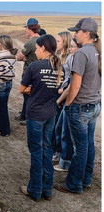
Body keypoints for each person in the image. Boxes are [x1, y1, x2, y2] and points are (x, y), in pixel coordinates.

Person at [54, 18, 101, 194]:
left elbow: (75, 84)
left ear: (87, 33)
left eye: (77, 31)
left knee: (80, 147)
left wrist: (68, 103)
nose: (74, 34)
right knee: (88, 144)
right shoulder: (98, 51)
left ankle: (74, 184)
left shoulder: (82, 53)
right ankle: (86, 179)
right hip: (94, 103)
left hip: (80, 105)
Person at [19, 34, 64, 201]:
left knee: (36, 151)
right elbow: (56, 88)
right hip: (50, 114)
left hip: (35, 114)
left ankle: (35, 189)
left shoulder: (35, 66)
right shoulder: (60, 67)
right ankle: (47, 189)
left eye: (37, 48)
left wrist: (34, 89)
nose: (36, 51)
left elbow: (22, 89)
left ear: (43, 48)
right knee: (47, 150)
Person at [54, 38, 82, 172]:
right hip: (69, 98)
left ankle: (65, 162)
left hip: (71, 100)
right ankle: (61, 157)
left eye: (73, 47)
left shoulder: (76, 60)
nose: (71, 49)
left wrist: (61, 100)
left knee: (66, 132)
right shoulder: (73, 57)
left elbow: (71, 85)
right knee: (61, 129)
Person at [15, 18, 40, 125]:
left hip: (29, 73)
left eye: (26, 27)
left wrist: (24, 58)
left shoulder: (30, 43)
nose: (25, 30)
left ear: (29, 28)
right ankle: (24, 114)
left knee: (28, 96)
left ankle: (27, 117)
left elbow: (19, 57)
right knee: (32, 96)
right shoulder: (41, 39)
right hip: (39, 73)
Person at [52, 31, 72, 162]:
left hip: (64, 95)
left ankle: (61, 154)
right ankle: (57, 151)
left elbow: (71, 79)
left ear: (65, 42)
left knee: (61, 128)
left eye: (58, 41)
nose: (56, 43)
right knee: (56, 125)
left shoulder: (70, 57)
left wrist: (62, 90)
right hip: (57, 92)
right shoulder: (59, 55)